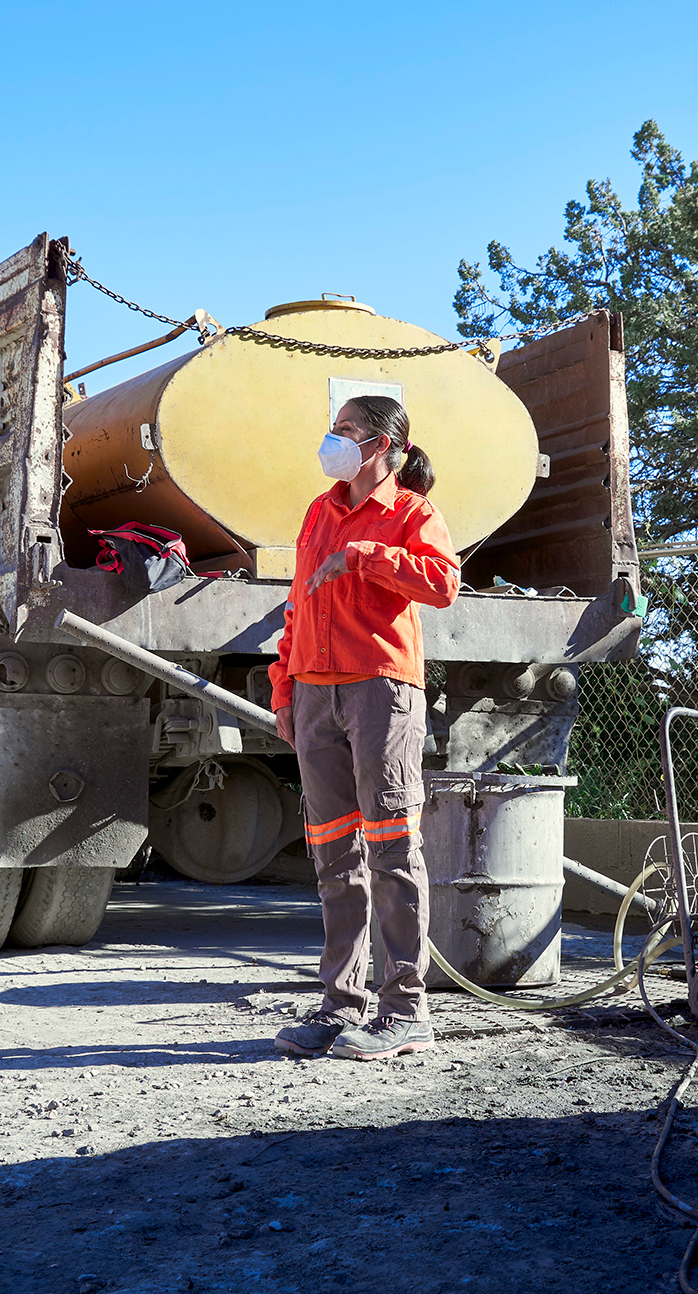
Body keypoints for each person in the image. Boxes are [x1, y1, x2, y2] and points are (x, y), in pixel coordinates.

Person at [270, 395, 460, 1061]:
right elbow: (297, 607)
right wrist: (284, 688)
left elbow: (442, 583)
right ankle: (339, 1006)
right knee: (332, 856)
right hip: (315, 694)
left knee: (389, 849)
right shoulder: (318, 512)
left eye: (346, 430)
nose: (333, 439)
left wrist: (366, 556)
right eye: (334, 427)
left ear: (381, 445)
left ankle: (406, 1010)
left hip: (382, 690)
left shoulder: (412, 512)